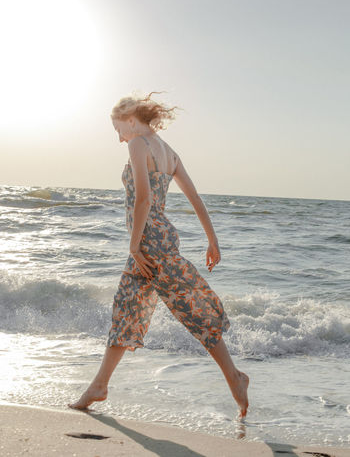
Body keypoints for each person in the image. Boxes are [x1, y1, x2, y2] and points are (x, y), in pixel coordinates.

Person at [68, 91, 249, 418]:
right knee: (146, 307)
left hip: (149, 244)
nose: (118, 138)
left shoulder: (139, 144)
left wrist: (134, 246)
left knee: (155, 308)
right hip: (163, 240)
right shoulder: (169, 152)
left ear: (130, 119)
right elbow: (195, 198)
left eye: (117, 129)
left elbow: (143, 200)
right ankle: (99, 385)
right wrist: (212, 240)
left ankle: (234, 378)